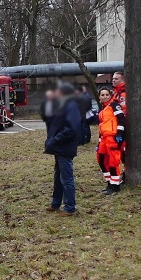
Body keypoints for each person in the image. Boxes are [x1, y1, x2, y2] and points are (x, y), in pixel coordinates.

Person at [44, 82, 82, 216]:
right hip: (59, 147)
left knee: (66, 178)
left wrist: (55, 140)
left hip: (64, 148)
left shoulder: (71, 107)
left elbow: (70, 130)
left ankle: (70, 207)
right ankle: (56, 203)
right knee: (58, 178)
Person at [96, 87, 125, 195]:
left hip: (113, 137)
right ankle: (109, 182)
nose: (105, 97)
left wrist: (119, 134)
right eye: (102, 95)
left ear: (110, 95)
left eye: (107, 95)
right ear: (99, 97)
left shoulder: (114, 105)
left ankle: (115, 185)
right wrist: (99, 141)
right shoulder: (103, 109)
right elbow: (102, 125)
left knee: (113, 162)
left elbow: (121, 119)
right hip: (104, 138)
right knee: (101, 160)